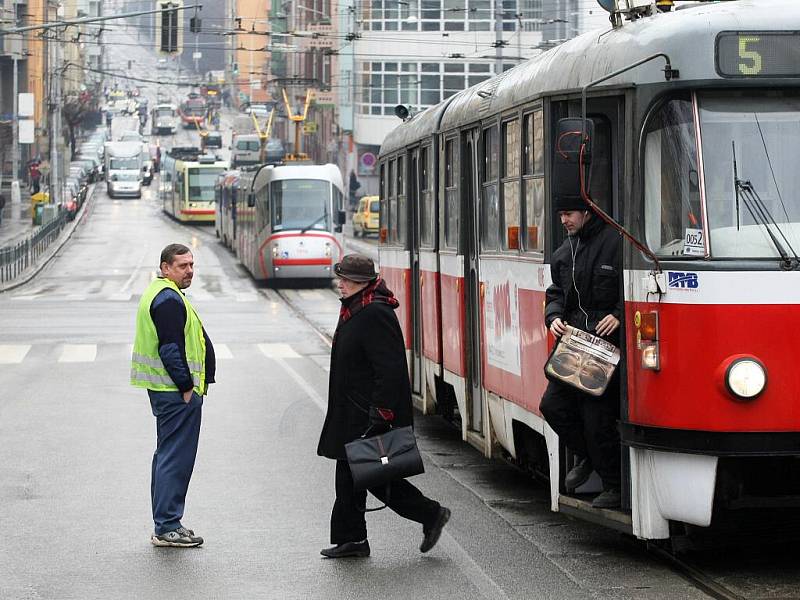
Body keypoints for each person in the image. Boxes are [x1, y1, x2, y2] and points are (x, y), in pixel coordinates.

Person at [317, 254, 451, 558]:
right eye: (340, 278)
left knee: (371, 476)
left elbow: (389, 370)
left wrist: (381, 414)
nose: (340, 284)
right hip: (352, 411)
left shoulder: (374, 312)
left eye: (346, 279)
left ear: (362, 283)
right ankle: (353, 538)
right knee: (353, 477)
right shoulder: (356, 307)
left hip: (367, 413)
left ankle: (429, 514)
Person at [130, 244, 216, 547]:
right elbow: (170, 348)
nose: (189, 271)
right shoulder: (167, 299)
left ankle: (166, 523)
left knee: (166, 456)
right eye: (182, 266)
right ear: (165, 268)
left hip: (168, 392)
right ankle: (167, 526)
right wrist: (186, 387)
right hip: (175, 393)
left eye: (192, 265)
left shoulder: (163, 292)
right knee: (175, 460)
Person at [539, 200, 623, 509]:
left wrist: (619, 315)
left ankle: (613, 485)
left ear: (586, 212)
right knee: (551, 406)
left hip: (604, 349)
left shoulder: (616, 243)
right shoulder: (565, 251)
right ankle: (587, 455)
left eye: (569, 214)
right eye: (560, 214)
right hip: (574, 346)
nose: (564, 220)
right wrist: (554, 316)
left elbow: (633, 288)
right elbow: (556, 293)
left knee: (596, 419)